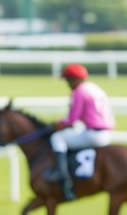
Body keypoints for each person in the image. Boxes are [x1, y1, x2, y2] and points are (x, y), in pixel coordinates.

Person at [45, 64, 115, 199]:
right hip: (106, 133)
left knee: (57, 138)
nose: (67, 84)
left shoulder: (79, 92)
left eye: (68, 80)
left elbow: (72, 120)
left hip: (93, 134)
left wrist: (58, 124)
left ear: (74, 79)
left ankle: (61, 173)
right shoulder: (95, 88)